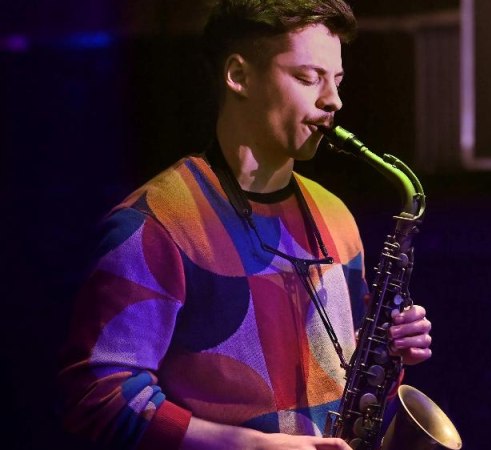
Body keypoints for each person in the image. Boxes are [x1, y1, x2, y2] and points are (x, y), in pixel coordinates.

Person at [57, 1, 434, 449]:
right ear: (238, 76)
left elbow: (351, 388)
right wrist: (248, 445)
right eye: (308, 77)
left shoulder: (336, 217)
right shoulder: (154, 224)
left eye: (337, 80)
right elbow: (96, 399)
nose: (334, 100)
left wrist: (386, 355)